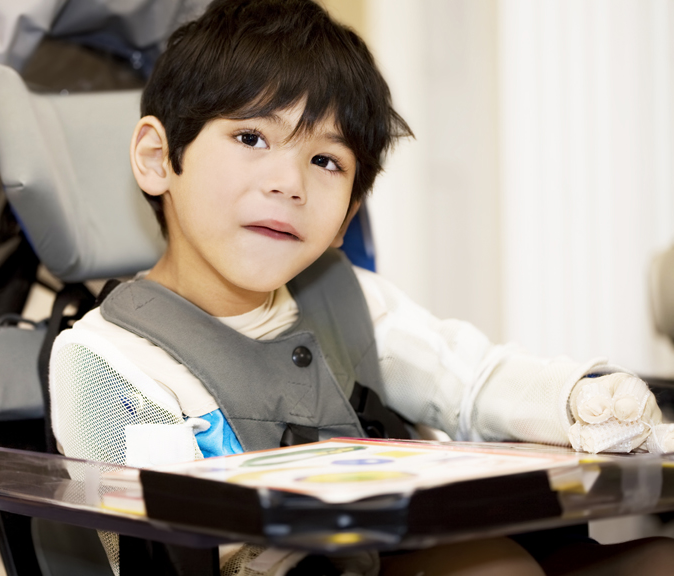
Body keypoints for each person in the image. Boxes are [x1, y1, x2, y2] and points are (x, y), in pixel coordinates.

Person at [49, 0, 674, 573]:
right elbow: (163, 552)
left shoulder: (347, 298)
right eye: (251, 137)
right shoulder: (106, 361)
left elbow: (470, 383)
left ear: (346, 217)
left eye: (326, 161)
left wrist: (577, 402)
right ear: (158, 158)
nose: (288, 182)